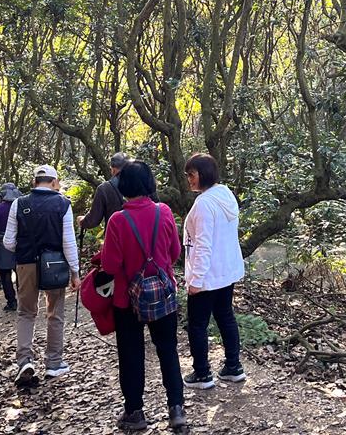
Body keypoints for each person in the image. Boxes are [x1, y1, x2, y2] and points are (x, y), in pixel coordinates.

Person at [101, 161, 186, 432]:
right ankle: (176, 410)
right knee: (168, 350)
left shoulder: (117, 220)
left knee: (131, 355)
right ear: (150, 183)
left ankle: (135, 413)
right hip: (162, 294)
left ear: (123, 185)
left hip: (127, 299)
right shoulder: (164, 212)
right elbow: (175, 253)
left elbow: (111, 266)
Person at [3, 165, 80, 384]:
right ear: (55, 182)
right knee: (55, 313)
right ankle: (54, 363)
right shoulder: (63, 204)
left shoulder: (19, 203)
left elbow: (8, 242)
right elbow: (68, 242)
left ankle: (25, 361)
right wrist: (75, 272)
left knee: (26, 312)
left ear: (34, 182)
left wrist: (24, 250)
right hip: (54, 266)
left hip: (25, 265)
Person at [181, 152, 246, 389]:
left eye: (192, 174)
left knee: (197, 324)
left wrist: (195, 278)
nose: (189, 179)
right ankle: (233, 366)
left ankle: (202, 373)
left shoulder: (205, 204)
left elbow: (203, 244)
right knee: (225, 316)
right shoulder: (225, 195)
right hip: (225, 271)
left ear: (204, 174)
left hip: (207, 275)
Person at [79, 152, 129, 232]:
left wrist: (82, 221)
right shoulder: (142, 185)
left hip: (114, 238)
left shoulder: (104, 188)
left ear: (113, 170)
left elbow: (93, 220)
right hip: (142, 239)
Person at [0, 183, 21, 311]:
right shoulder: (21, 205)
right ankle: (24, 300)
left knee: (5, 274)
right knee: (21, 273)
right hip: (20, 243)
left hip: (3, 243)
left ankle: (11, 301)